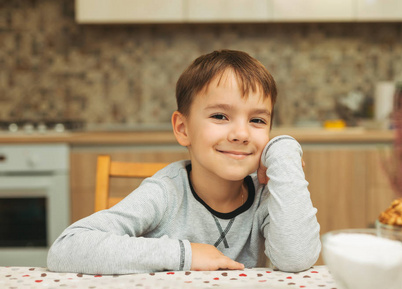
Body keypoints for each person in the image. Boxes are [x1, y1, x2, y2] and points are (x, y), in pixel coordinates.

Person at [47, 49, 321, 274]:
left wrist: (283, 152)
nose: (241, 134)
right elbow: (67, 248)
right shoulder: (166, 193)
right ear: (183, 129)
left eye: (257, 120)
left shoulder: (265, 195)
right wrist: (185, 254)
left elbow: (296, 259)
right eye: (220, 116)